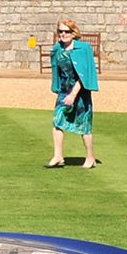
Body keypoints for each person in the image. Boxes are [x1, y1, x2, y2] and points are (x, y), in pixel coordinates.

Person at [45, 18, 98, 168]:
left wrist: (74, 94)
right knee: (57, 121)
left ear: (73, 33)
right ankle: (58, 156)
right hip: (64, 91)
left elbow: (86, 73)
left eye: (67, 31)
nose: (63, 34)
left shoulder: (84, 48)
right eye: (61, 31)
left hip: (80, 91)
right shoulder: (57, 49)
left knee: (84, 126)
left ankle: (90, 157)